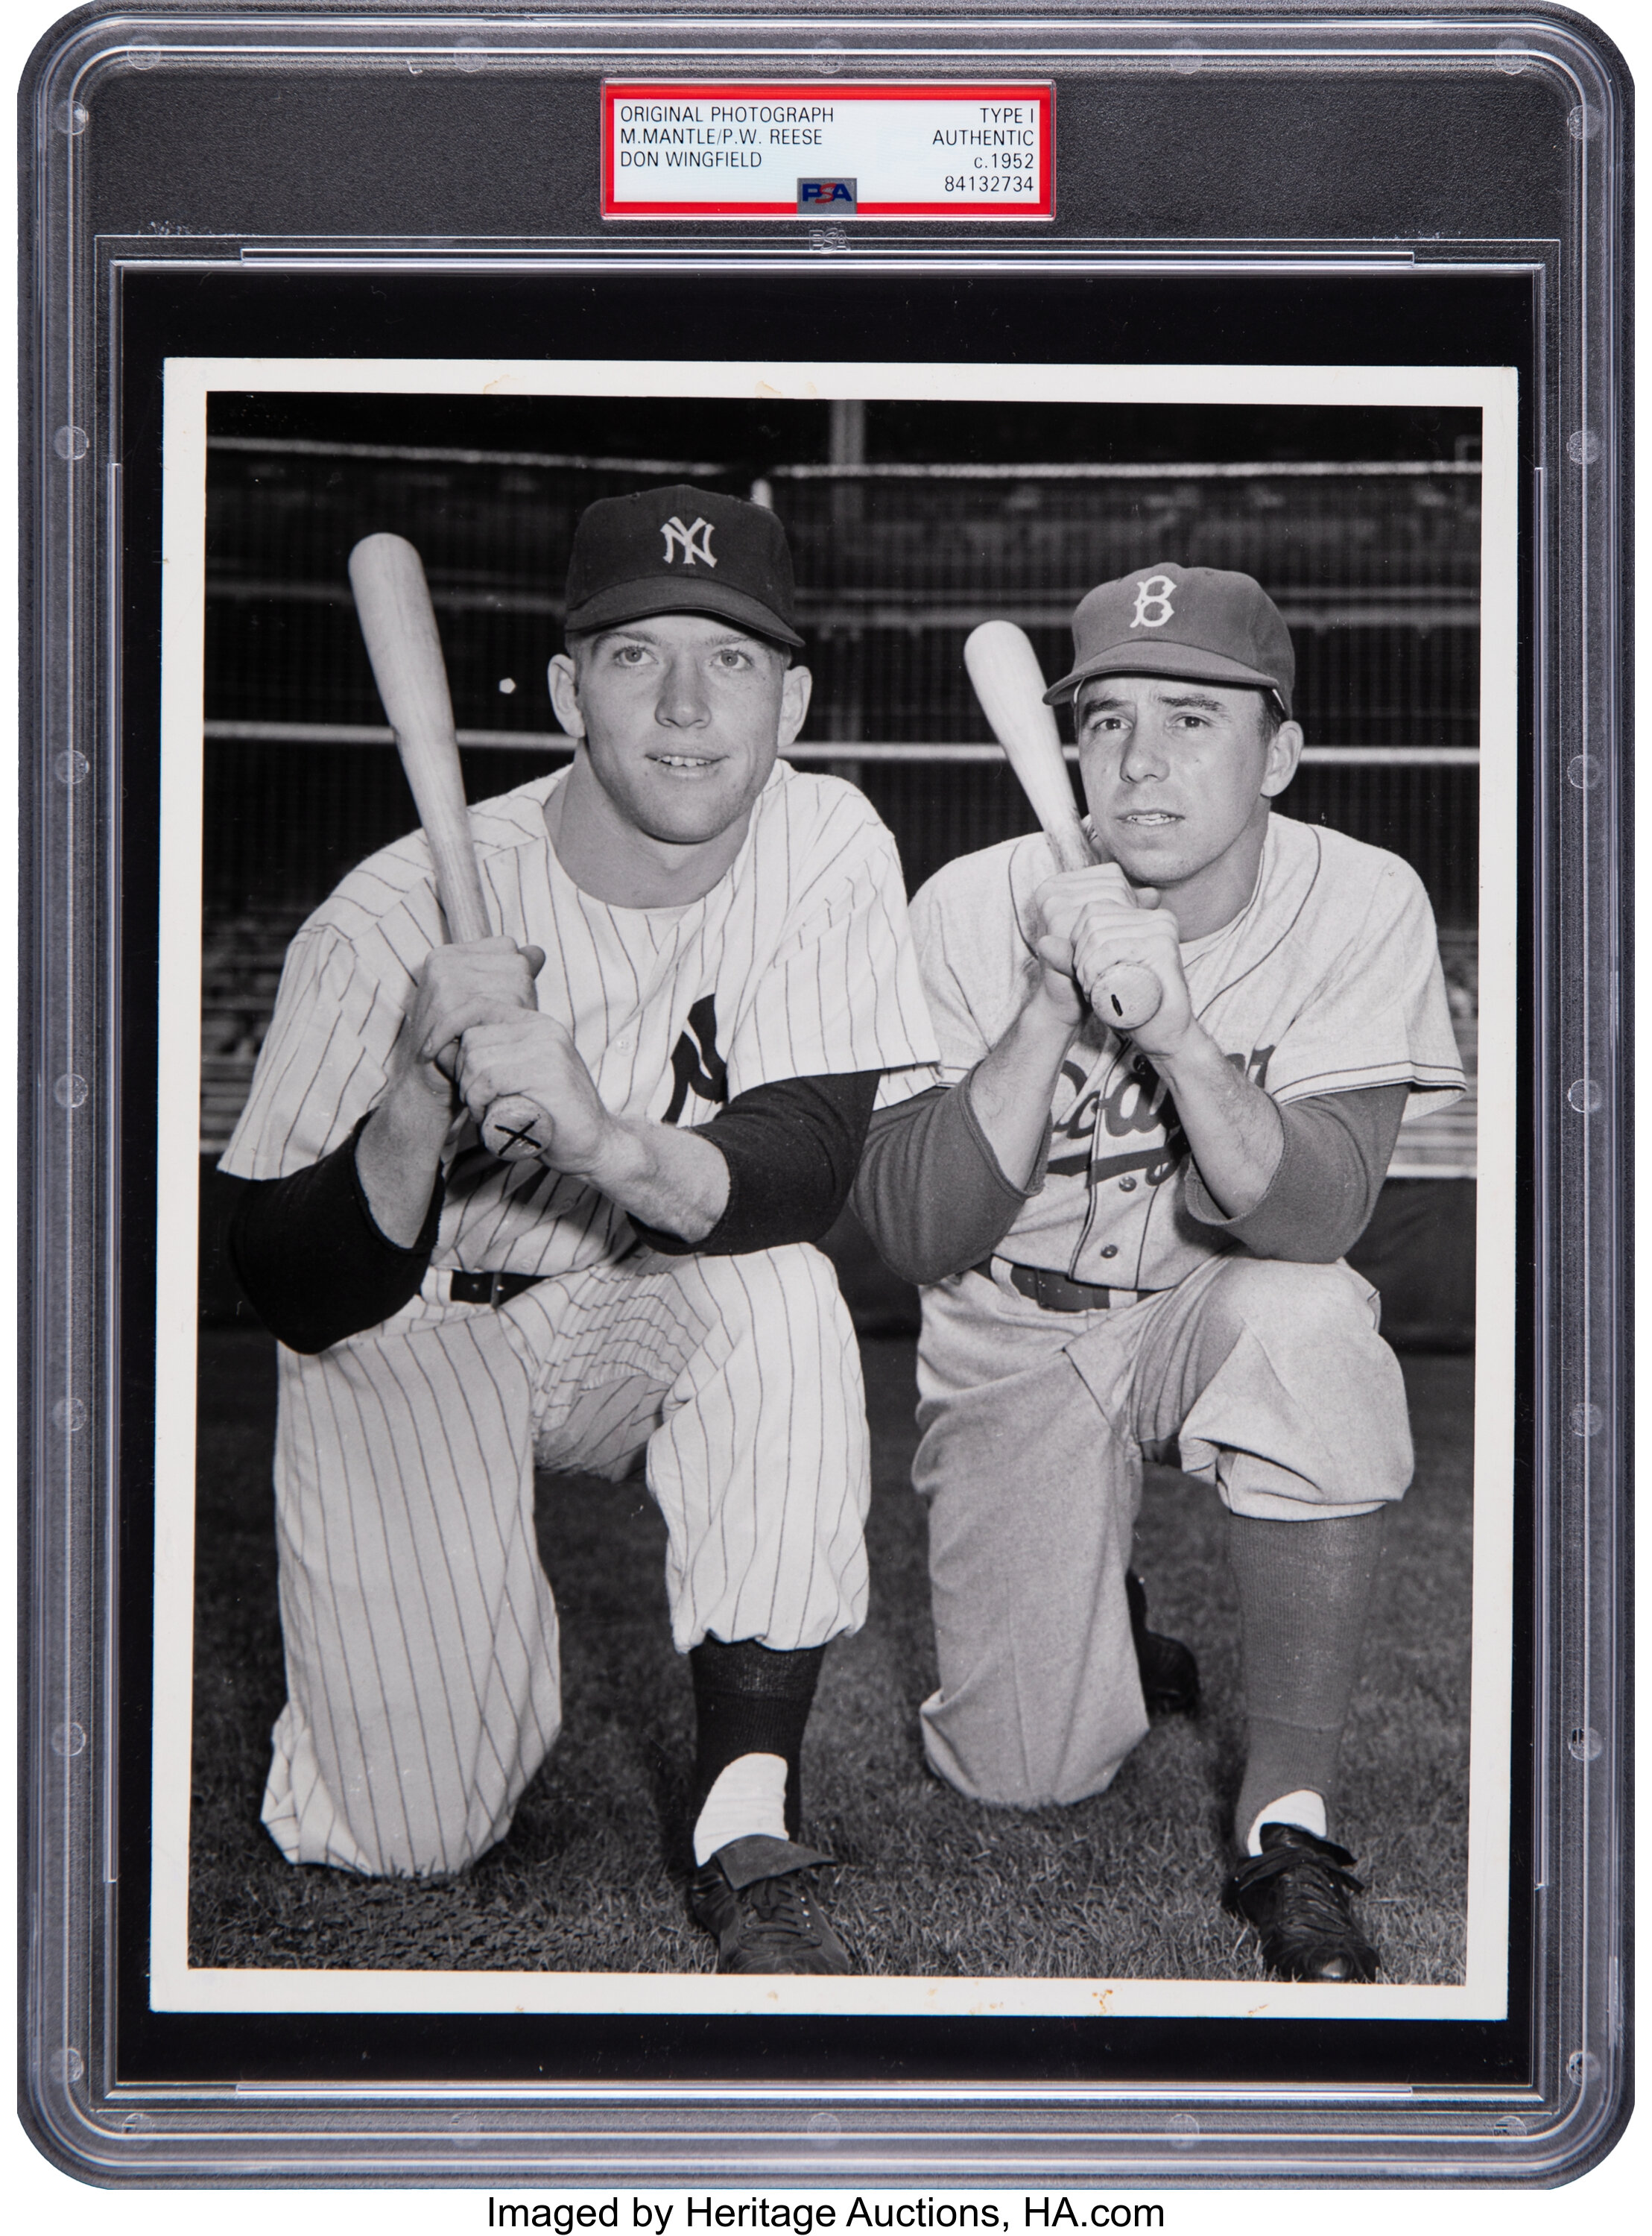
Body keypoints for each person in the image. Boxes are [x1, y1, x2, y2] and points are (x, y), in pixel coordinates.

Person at [219, 484, 937, 1974]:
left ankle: (746, 1815)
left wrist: (606, 1141)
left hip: (626, 1298)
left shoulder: (826, 842)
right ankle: (381, 1661)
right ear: (565, 690)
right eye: (634, 657)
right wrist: (419, 1095)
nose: (685, 705)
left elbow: (801, 1169)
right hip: (412, 1329)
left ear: (790, 699)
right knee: (405, 1836)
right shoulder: (386, 912)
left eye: (730, 660)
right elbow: (285, 1282)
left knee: (779, 1292)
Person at [853, 563, 1465, 1981]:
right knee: (1022, 1775)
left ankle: (1287, 1823)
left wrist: (1183, 1039)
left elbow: (1315, 1215)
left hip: (1211, 1298)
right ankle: (1107, 1636)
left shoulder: (1360, 897)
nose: (1141, 761)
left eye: (1194, 719)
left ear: (1280, 753)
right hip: (1013, 1324)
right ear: (1067, 745)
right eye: (1108, 719)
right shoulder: (966, 905)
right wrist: (1047, 1004)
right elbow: (919, 1234)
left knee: (1309, 1320)